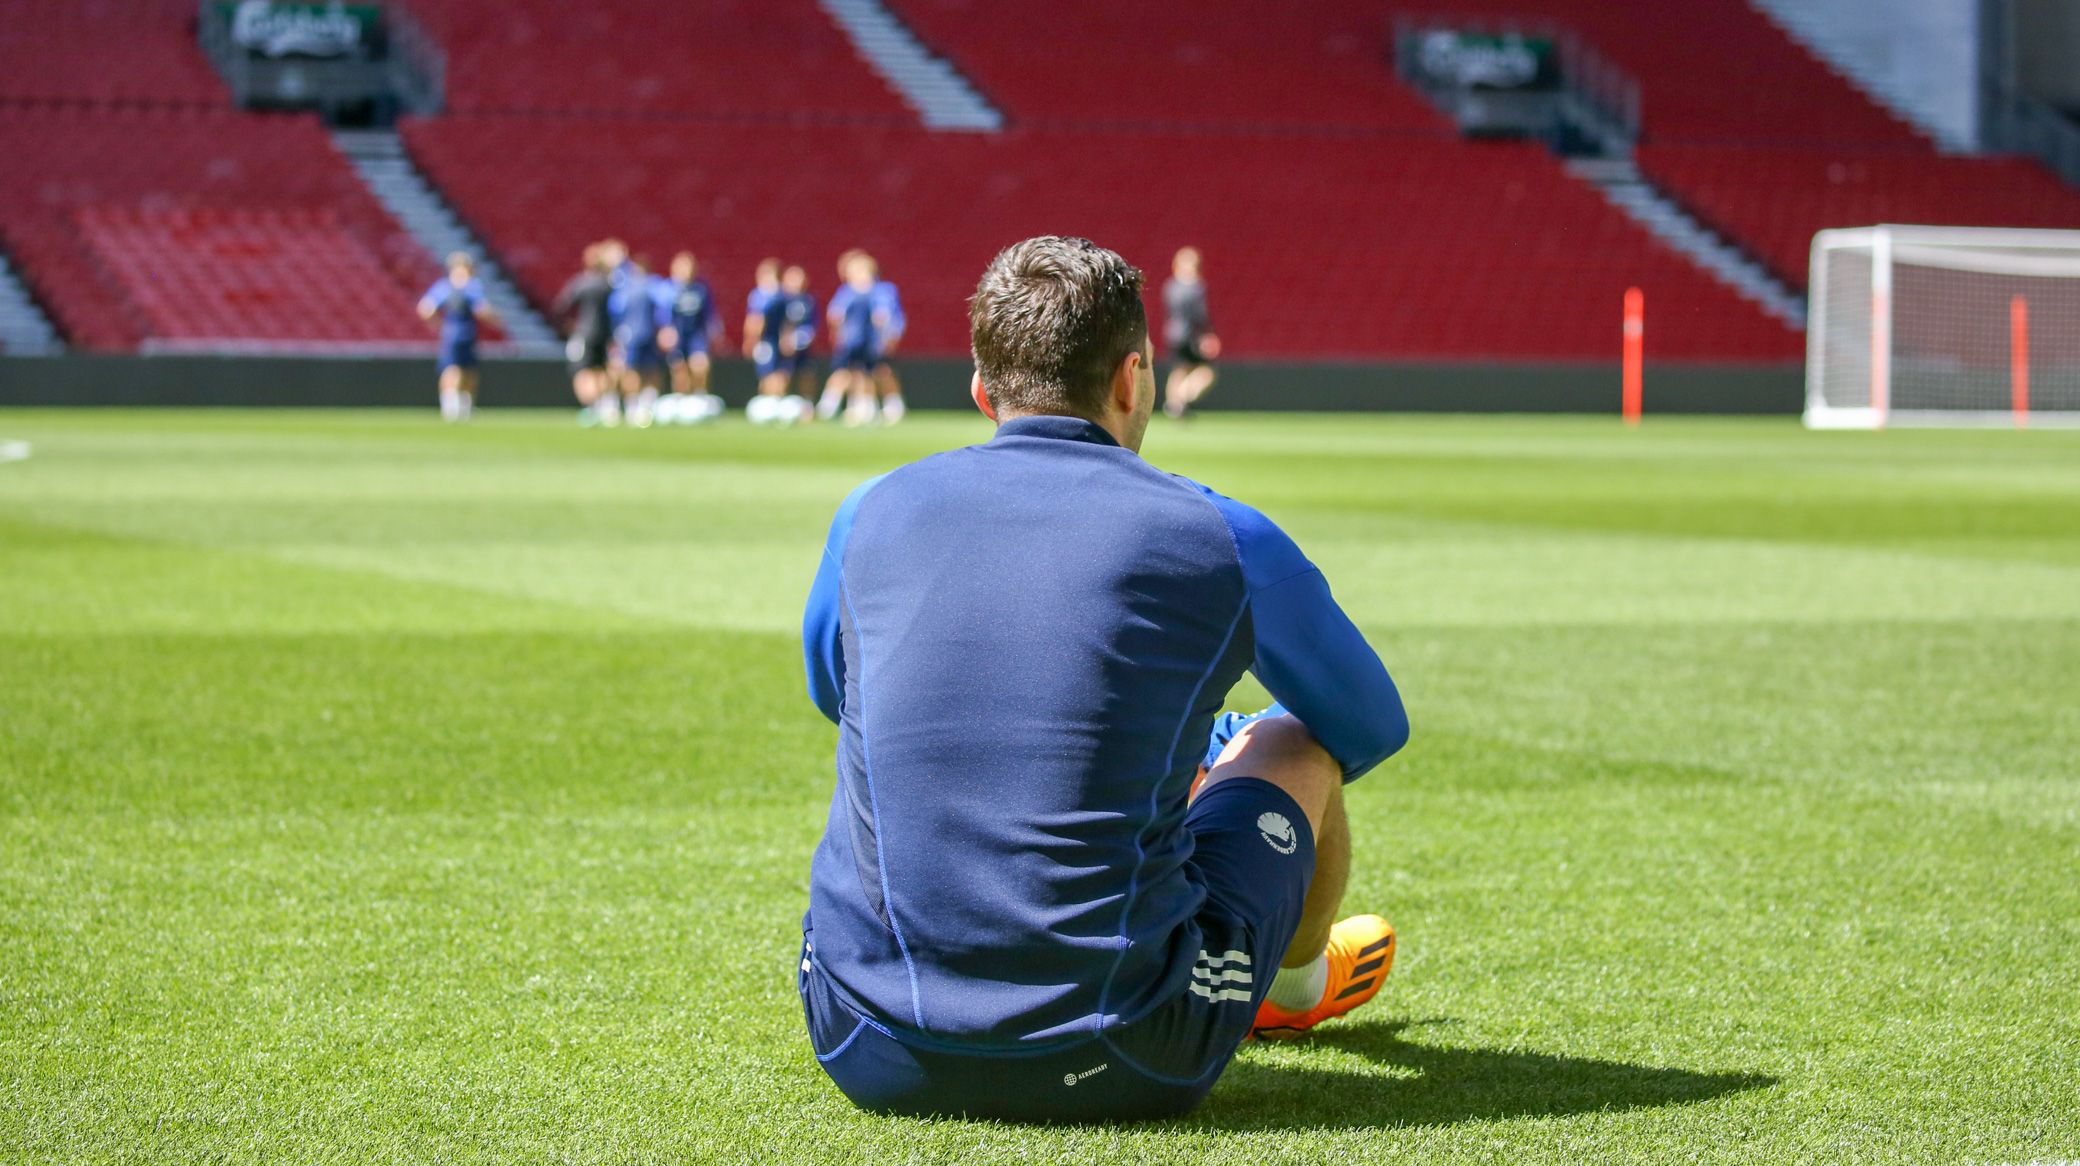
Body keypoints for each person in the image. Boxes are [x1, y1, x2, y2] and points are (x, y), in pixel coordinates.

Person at [797, 236, 1409, 1121]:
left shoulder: (867, 510)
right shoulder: (1220, 534)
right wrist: (1199, 743)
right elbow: (1367, 726)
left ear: (982, 390)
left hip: (862, 1041)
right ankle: (1297, 984)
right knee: (1292, 731)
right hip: (1124, 1050)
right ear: (1132, 381)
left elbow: (836, 696)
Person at [817, 250, 897, 426]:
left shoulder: (879, 291)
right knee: (849, 372)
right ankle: (833, 406)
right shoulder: (847, 291)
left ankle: (869, 407)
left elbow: (883, 317)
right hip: (852, 341)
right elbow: (835, 315)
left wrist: (887, 336)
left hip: (869, 341)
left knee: (870, 373)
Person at [417, 252, 498, 423]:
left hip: (455, 332)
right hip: (462, 331)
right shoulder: (470, 287)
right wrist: (496, 319)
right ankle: (456, 406)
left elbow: (425, 308)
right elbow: (482, 309)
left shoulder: (444, 286)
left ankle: (456, 406)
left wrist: (438, 324)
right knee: (457, 370)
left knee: (462, 369)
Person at [553, 245, 616, 426]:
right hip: (605, 333)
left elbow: (561, 306)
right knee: (602, 370)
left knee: (582, 371)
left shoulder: (581, 283)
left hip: (585, 333)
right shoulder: (608, 284)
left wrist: (569, 327)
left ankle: (591, 408)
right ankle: (605, 406)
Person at [662, 251, 724, 422]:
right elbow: (664, 314)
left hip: (696, 334)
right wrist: (666, 331)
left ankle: (699, 396)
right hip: (678, 334)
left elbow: (710, 314)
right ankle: (681, 399)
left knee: (700, 365)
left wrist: (715, 332)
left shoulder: (701, 289)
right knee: (679, 368)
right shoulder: (669, 289)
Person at [1162, 246, 1220, 419]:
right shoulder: (1196, 287)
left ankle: (1174, 405)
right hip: (1191, 336)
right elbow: (1199, 315)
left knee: (1179, 370)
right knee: (1207, 373)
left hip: (1172, 334)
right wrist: (1207, 335)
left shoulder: (1170, 286)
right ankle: (1179, 400)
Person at [612, 258, 671, 428]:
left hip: (640, 335)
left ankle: (642, 406)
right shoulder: (632, 290)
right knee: (638, 371)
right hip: (636, 336)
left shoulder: (649, 288)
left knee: (643, 371)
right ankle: (637, 406)